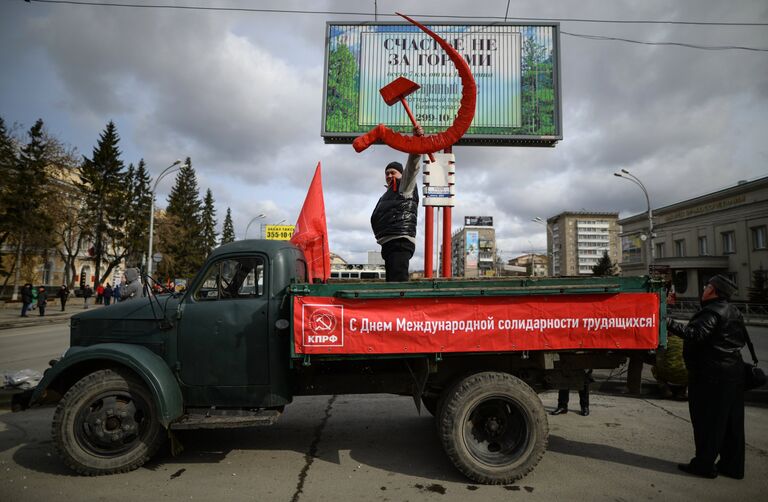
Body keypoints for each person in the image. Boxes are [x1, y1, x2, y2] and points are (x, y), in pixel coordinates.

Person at [667, 274, 746, 480]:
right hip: (733, 373)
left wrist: (668, 323)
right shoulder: (733, 310)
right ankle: (732, 466)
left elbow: (695, 334)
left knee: (707, 421)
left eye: (707, 286)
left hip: (711, 375)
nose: (704, 288)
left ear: (713, 291)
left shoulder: (713, 311)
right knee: (731, 423)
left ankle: (703, 465)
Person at [370, 126, 423, 282]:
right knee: (393, 283)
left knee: (397, 286)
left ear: (402, 175)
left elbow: (412, 166)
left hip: (399, 242)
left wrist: (416, 142)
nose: (389, 175)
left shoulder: (404, 186)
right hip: (390, 244)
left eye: (393, 172)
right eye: (387, 173)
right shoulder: (387, 194)